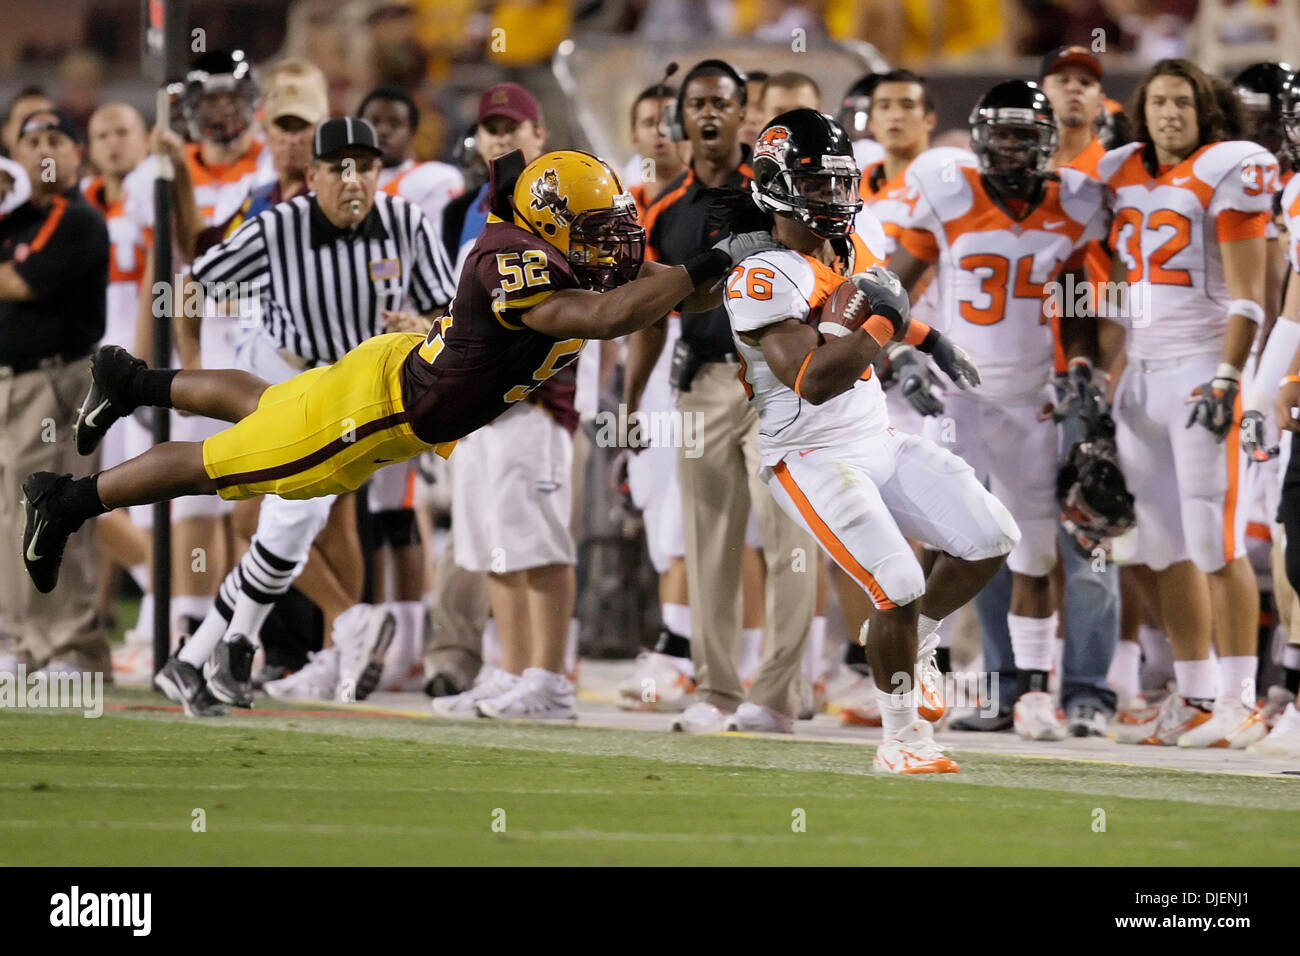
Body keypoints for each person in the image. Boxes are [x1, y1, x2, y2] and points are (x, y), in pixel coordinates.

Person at [21, 147, 772, 718]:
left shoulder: (556, 251)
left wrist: (748, 250)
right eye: (596, 235)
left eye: (615, 234)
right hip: (383, 409)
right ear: (548, 226)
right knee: (221, 467)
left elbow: (648, 289)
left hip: (396, 384)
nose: (612, 250)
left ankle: (132, 382)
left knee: (268, 406)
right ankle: (69, 499)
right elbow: (610, 315)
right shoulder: (514, 257)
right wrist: (709, 260)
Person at [131, 117, 458, 715]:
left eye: (365, 166)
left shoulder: (407, 222)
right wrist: (198, 358)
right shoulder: (278, 226)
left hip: (358, 392)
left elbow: (448, 309)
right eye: (339, 168)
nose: (353, 179)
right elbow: (188, 287)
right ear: (311, 177)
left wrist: (425, 328)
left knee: (298, 519)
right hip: (281, 372)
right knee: (277, 515)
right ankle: (288, 634)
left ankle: (210, 651)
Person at [725, 108, 1017, 772]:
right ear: (775, 185)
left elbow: (880, 307)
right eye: (816, 184)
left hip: (874, 434)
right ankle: (901, 737)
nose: (833, 198)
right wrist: (888, 324)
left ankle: (918, 640)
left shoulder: (848, 248)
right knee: (897, 581)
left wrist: (934, 341)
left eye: (839, 183)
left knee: (989, 535)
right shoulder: (763, 275)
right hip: (808, 452)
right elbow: (814, 378)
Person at [888, 80, 1111, 741]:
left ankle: (1035, 692)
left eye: (1024, 134)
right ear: (983, 139)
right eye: (1002, 133)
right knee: (940, 540)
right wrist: (899, 359)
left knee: (1035, 547)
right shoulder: (950, 197)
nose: (1012, 147)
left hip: (1029, 399)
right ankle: (925, 669)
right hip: (957, 394)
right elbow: (891, 290)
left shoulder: (1073, 205)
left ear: (1044, 142)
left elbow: (1075, 302)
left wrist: (1078, 368)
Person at [626, 59, 819, 734]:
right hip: (701, 380)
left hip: (775, 380)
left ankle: (776, 694)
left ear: (745, 113)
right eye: (697, 103)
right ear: (682, 118)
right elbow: (649, 316)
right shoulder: (662, 208)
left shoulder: (776, 191)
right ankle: (717, 689)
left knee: (791, 538)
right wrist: (627, 407)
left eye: (722, 103)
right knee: (709, 543)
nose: (709, 114)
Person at [1098, 59, 1278, 748]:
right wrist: (1102, 370)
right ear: (1141, 111)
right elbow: (1117, 290)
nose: (1170, 113)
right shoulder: (1120, 173)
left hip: (1203, 368)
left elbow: (1248, 295)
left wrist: (1232, 374)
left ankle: (1241, 700)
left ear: (1208, 112)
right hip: (1143, 373)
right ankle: (1197, 694)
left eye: (1184, 102)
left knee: (1215, 538)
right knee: (1159, 542)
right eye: (1160, 102)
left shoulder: (1231, 167)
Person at [0, 109, 109, 676]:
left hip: (55, 384)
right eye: (31, 141)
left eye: (54, 140)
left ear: (76, 155)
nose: (42, 150)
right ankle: (21, 641)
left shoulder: (77, 218)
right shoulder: (14, 220)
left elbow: (19, 281)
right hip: (12, 384)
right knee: (9, 520)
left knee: (52, 514)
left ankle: (70, 647)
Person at [81, 102, 154, 682]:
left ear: (145, 137)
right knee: (96, 497)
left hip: (134, 362)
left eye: (121, 132)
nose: (111, 143)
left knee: (126, 494)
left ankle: (165, 605)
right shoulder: (79, 198)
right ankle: (141, 606)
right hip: (84, 367)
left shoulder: (157, 189)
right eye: (101, 134)